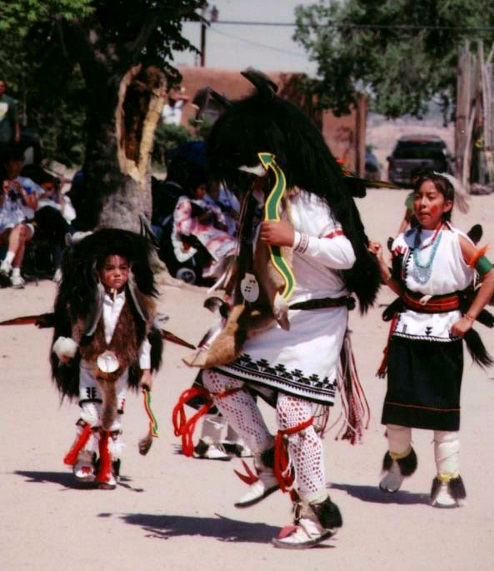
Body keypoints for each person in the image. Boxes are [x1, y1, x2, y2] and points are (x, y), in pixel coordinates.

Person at [175, 70, 381, 549]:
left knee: (294, 409)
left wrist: (297, 239)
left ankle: (315, 512)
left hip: (318, 321)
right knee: (217, 377)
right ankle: (270, 461)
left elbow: (350, 255)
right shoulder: (257, 199)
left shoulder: (306, 202)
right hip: (275, 316)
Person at [368, 172, 494, 508]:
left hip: (444, 333)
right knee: (397, 412)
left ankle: (446, 481)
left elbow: (492, 276)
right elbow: (400, 286)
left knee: (442, 413)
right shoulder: (404, 241)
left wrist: (468, 319)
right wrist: (380, 263)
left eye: (431, 197)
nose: (423, 203)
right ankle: (400, 460)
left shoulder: (458, 241)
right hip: (406, 332)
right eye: (419, 196)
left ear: (447, 204)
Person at [50, 229, 162, 487]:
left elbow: (143, 339)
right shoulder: (87, 299)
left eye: (123, 268)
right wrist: (66, 352)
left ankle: (110, 462)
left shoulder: (136, 304)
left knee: (114, 419)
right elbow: (75, 330)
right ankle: (85, 456)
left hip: (119, 370)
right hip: (90, 366)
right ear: (98, 271)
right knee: (91, 414)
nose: (117, 273)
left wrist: (145, 371)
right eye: (110, 267)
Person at [171, 169, 237, 281]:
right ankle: (211, 271)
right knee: (220, 244)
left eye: (205, 189)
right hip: (194, 235)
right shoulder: (185, 202)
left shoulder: (204, 202)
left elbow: (217, 214)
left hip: (210, 231)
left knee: (231, 243)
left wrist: (219, 222)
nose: (204, 192)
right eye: (201, 189)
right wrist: (201, 218)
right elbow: (181, 226)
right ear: (192, 189)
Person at [0, 150, 38, 287]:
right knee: (18, 235)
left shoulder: (26, 182)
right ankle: (15, 273)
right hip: (4, 226)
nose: (17, 165)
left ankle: (6, 263)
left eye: (19, 162)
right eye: (14, 162)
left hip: (27, 223)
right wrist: (3, 194)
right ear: (6, 165)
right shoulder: (1, 182)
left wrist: (22, 191)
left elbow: (34, 205)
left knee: (20, 228)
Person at [0, 80, 21, 155]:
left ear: (4, 88)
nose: (0, 88)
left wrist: (17, 134)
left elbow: (15, 119)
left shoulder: (10, 101)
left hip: (4, 135)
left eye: (2, 86)